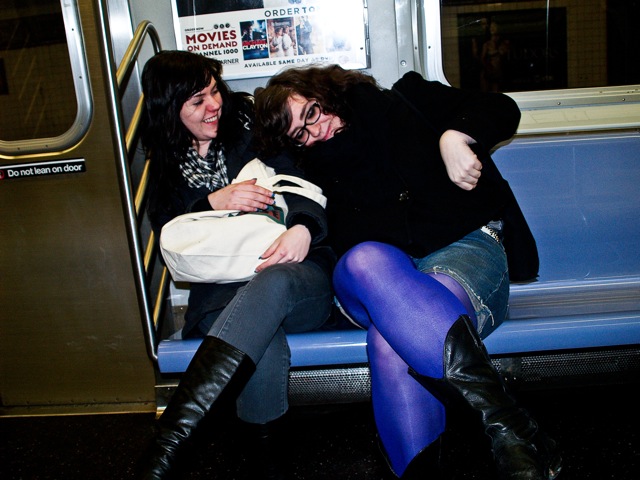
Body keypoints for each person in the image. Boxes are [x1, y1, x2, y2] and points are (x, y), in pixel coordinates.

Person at [254, 64, 562, 479]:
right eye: (299, 134)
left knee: (389, 342)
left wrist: (455, 136)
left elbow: (500, 107)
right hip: (371, 279)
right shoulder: (306, 163)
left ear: (324, 91)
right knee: (365, 260)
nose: (316, 130)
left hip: (463, 249)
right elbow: (261, 160)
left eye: (312, 112)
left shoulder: (405, 99)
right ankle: (509, 426)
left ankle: (478, 448)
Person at [138, 51, 335, 480]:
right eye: (197, 101)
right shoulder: (165, 164)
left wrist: (303, 228)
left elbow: (298, 178)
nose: (214, 105)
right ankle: (267, 468)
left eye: (214, 91)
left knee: (272, 286)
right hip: (221, 293)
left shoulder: (249, 125)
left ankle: (167, 450)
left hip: (295, 273)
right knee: (261, 340)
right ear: (170, 109)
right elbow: (169, 229)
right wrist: (212, 201)